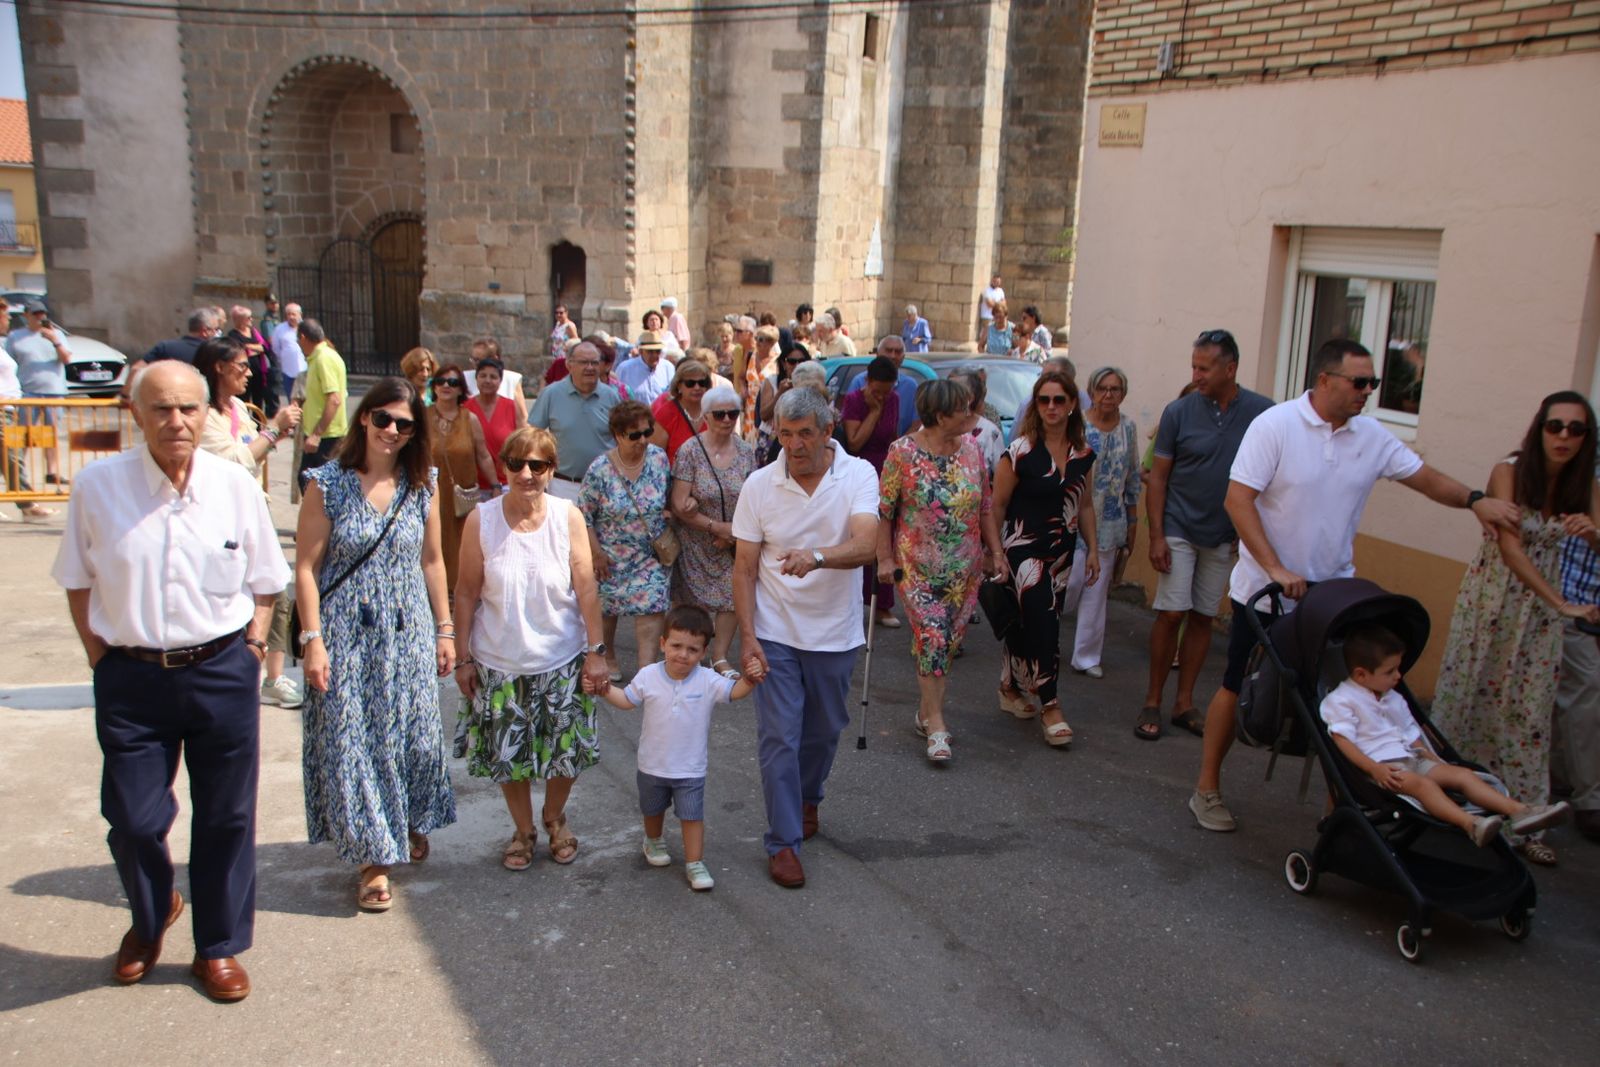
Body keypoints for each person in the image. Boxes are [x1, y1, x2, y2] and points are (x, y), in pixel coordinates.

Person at [1188, 339, 1521, 833]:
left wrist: (1475, 500)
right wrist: (1277, 568)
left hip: (1333, 599)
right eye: (1359, 382)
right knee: (1237, 687)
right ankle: (1207, 788)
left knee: (1338, 705)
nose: (1368, 391)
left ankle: (1339, 809)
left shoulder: (1371, 436)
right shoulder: (1276, 425)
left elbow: (1426, 479)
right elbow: (1239, 501)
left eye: (1373, 383)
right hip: (1265, 592)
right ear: (1325, 381)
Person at [53, 360, 288, 1002]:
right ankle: (152, 917)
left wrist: (254, 642)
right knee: (132, 818)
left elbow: (266, 577)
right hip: (132, 678)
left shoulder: (231, 485)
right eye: (161, 408)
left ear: (207, 413)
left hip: (220, 670)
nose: (177, 421)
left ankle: (217, 948)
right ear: (136, 414)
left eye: (189, 408)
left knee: (227, 817)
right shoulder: (99, 487)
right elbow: (77, 579)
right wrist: (101, 657)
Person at [295, 377, 456, 911]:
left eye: (404, 424)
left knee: (408, 736)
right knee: (358, 742)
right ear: (363, 417)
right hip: (347, 633)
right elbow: (305, 569)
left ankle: (400, 819)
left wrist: (445, 629)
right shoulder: (328, 482)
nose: (391, 430)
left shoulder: (423, 484)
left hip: (407, 632)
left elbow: (433, 561)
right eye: (383, 418)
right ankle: (374, 860)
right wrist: (312, 640)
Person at [1428, 392, 1600, 866]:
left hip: (1541, 614)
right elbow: (1511, 550)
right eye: (1555, 426)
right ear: (1539, 427)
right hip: (1496, 600)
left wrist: (1593, 536)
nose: (1564, 436)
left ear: (1587, 438)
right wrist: (1561, 603)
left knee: (1529, 713)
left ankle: (1526, 822)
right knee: (1473, 700)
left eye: (1576, 429)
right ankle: (1453, 805)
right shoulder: (1510, 470)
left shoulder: (1583, 482)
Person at [733, 387, 879, 887]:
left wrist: (815, 556)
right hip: (776, 633)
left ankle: (807, 796)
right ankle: (783, 842)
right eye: (785, 434)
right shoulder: (759, 484)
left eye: (804, 434)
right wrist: (748, 637)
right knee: (779, 737)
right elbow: (744, 568)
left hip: (835, 634)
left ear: (827, 432)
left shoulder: (858, 474)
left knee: (823, 732)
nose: (793, 445)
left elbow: (865, 545)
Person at [452, 426, 610, 871]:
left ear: (551, 470)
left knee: (565, 751)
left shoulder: (567, 516)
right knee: (510, 755)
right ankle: (522, 830)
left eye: (536, 465)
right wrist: (463, 657)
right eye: (516, 464)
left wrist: (596, 650)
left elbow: (586, 587)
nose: (526, 473)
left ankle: (555, 817)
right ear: (504, 467)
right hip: (498, 659)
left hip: (561, 655)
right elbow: (465, 592)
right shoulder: (481, 520)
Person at [1323, 624, 1571, 846]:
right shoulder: (1343, 700)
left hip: (1412, 759)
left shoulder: (1392, 697)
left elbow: (1411, 734)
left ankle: (1519, 811)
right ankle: (1470, 825)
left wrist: (1431, 758)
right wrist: (1373, 769)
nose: (1398, 676)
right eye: (1390, 672)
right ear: (1361, 675)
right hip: (1384, 769)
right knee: (1424, 786)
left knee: (1462, 775)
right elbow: (1342, 740)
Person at [1142, 330, 1274, 739]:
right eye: (1193, 366)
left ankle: (1184, 703)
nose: (1196, 374)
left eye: (1204, 367)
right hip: (1179, 527)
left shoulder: (1262, 413)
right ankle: (1152, 701)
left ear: (1229, 368)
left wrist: (1247, 530)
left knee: (1202, 616)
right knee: (1171, 613)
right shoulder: (1179, 412)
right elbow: (1158, 479)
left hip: (1222, 536)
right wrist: (1157, 536)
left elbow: (1271, 478)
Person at [590, 604, 764, 890]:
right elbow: (627, 701)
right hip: (652, 764)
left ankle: (695, 862)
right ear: (662, 644)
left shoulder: (708, 680)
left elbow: (735, 692)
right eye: (677, 645)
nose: (683, 654)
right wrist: (605, 689)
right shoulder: (648, 676)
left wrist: (750, 679)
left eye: (693, 649)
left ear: (704, 652)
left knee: (692, 816)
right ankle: (654, 841)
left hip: (690, 768)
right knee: (652, 809)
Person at [877, 378, 1002, 763]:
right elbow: (885, 512)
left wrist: (995, 552)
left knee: (944, 644)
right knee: (932, 637)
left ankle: (925, 710)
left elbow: (984, 507)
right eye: (963, 408)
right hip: (917, 567)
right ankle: (937, 726)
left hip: (964, 570)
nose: (971, 413)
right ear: (939, 414)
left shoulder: (973, 451)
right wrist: (884, 558)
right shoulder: (902, 453)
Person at [192, 337, 302, 707]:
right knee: (228, 592)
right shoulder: (204, 417)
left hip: (254, 509)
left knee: (274, 590)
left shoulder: (237, 407)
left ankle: (273, 676)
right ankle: (233, 673)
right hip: (221, 518)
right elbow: (237, 460)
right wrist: (273, 428)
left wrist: (273, 435)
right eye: (241, 365)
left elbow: (255, 456)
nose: (248, 372)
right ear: (220, 367)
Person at [992, 370, 1097, 748]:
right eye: (1044, 400)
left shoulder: (1084, 455)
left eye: (1059, 400)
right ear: (1036, 406)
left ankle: (1009, 687)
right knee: (1044, 618)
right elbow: (998, 505)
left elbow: (1084, 506)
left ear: (1072, 406)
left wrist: (1094, 549)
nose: (1051, 407)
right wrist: (995, 553)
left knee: (1031, 618)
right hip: (1022, 548)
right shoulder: (1020, 450)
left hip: (1061, 552)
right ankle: (1050, 704)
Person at [581, 400, 673, 680]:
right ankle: (607, 655)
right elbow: (583, 514)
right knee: (608, 609)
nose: (643, 440)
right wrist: (596, 553)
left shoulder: (658, 458)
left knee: (653, 605)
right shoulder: (600, 469)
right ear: (618, 435)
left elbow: (667, 494)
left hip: (650, 554)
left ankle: (646, 670)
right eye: (635, 435)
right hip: (610, 555)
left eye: (647, 432)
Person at [670, 384, 756, 678]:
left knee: (732, 598)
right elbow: (681, 504)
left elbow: (753, 497)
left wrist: (732, 533)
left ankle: (719, 657)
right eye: (719, 414)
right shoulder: (690, 451)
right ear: (706, 416)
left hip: (733, 541)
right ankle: (691, 653)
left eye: (733, 413)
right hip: (697, 539)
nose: (727, 419)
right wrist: (717, 528)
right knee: (693, 602)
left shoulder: (746, 452)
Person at [1063, 367, 1140, 687]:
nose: (1109, 394)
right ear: (1092, 391)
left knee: (1096, 591)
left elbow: (1133, 473)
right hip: (1074, 517)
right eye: (1103, 388)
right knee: (1069, 584)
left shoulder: (1129, 428)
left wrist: (1133, 518)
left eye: (1116, 389)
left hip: (1110, 520)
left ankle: (1087, 656)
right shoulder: (1076, 424)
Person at [843, 356, 905, 629]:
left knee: (885, 534)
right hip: (860, 468)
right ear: (867, 382)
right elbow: (855, 442)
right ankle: (854, 603)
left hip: (886, 469)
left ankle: (882, 605)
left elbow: (891, 436)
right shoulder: (854, 400)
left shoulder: (894, 400)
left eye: (887, 390)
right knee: (861, 534)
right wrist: (874, 412)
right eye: (877, 390)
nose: (882, 396)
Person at [428, 362, 500, 592]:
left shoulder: (470, 419)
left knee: (463, 545)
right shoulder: (422, 417)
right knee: (432, 542)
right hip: (430, 494)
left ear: (461, 389)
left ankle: (460, 592)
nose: (446, 386)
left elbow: (484, 456)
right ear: (434, 387)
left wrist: (496, 485)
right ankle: (435, 592)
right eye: (441, 381)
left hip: (462, 496)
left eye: (453, 382)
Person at [1553, 492, 1600, 843]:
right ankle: (1590, 800)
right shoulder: (1586, 470)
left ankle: (1559, 771)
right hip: (1574, 603)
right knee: (1585, 688)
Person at [528, 340, 620, 502]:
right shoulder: (551, 394)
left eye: (594, 363)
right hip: (563, 484)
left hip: (605, 483)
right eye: (584, 362)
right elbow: (533, 436)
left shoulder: (611, 396)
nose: (590, 368)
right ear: (569, 365)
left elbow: (621, 438)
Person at [5, 297, 72, 486]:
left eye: (42, 313)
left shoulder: (56, 334)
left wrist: (54, 341)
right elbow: (9, 364)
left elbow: (67, 359)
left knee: (50, 434)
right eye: (35, 313)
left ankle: (52, 472)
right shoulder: (16, 337)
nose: (39, 317)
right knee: (22, 433)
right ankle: (17, 471)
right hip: (28, 392)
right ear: (26, 315)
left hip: (54, 391)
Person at [0, 320, 55, 521]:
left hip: (10, 410)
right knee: (13, 457)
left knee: (9, 457)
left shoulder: (2, 345)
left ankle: (27, 504)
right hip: (1, 411)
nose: (8, 322)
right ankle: (28, 504)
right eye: (4, 317)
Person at [297, 318, 348, 481]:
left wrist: (316, 435)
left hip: (327, 436)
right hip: (320, 434)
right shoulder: (318, 358)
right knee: (307, 480)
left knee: (314, 483)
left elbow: (334, 399)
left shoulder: (324, 359)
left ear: (303, 337)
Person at [465, 356, 523, 490]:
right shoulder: (465, 409)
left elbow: (522, 442)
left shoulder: (512, 407)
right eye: (483, 376)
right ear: (476, 379)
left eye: (493, 377)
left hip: (507, 481)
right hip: (475, 484)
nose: (487, 380)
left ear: (500, 381)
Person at [844, 335, 919, 436]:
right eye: (888, 350)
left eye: (898, 352)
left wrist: (900, 448)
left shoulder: (911, 386)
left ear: (903, 357)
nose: (893, 356)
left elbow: (916, 424)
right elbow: (851, 434)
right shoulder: (859, 382)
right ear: (878, 354)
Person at [650, 356, 713, 464]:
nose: (697, 387)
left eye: (701, 383)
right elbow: (654, 458)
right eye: (690, 383)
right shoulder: (666, 414)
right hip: (675, 478)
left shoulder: (715, 410)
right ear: (678, 385)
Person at [949, 367, 1005, 475]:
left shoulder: (990, 432)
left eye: (954, 391)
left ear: (970, 397)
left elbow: (1001, 476)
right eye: (946, 390)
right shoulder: (934, 426)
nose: (947, 395)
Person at [227, 305, 278, 417]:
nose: (251, 319)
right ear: (241, 320)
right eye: (249, 317)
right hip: (243, 373)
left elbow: (264, 347)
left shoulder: (253, 331)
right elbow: (240, 351)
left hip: (259, 372)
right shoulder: (233, 335)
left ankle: (258, 426)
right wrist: (255, 348)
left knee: (258, 400)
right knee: (243, 400)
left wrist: (248, 346)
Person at [742, 325, 781, 443]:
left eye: (761, 339)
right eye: (756, 338)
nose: (757, 342)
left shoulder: (778, 361)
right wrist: (743, 388)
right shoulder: (751, 356)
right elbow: (741, 376)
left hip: (766, 408)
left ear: (771, 342)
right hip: (750, 408)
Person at [617, 332, 676, 406]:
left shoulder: (668, 368)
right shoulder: (625, 369)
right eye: (650, 352)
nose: (655, 355)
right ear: (641, 351)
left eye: (658, 351)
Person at [271, 302, 305, 401]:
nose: (291, 317)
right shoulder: (279, 329)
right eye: (288, 314)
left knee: (306, 400)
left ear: (300, 315)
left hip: (304, 370)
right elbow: (276, 348)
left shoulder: (305, 327)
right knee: (292, 399)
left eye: (293, 314)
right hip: (288, 371)